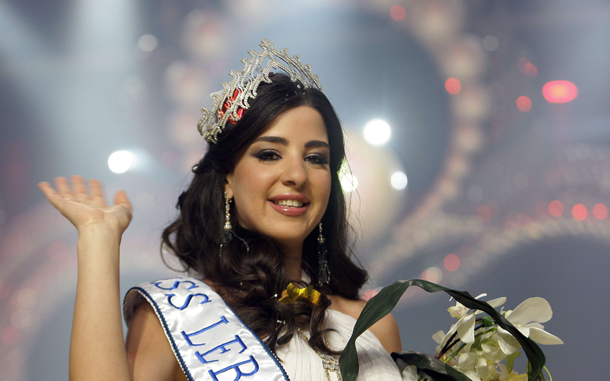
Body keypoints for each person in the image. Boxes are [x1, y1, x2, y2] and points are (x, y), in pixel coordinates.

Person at [38, 39, 402, 381]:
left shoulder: (373, 325)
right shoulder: (180, 317)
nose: (296, 175)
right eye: (269, 154)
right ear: (227, 178)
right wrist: (98, 242)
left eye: (315, 158)